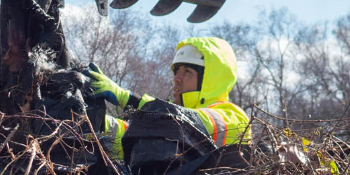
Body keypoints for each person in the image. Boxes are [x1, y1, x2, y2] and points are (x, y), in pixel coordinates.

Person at [86, 37, 253, 162]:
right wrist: (99, 123)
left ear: (210, 80)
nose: (176, 78)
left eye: (187, 71)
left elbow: (183, 122)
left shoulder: (234, 117)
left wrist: (127, 98)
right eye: (177, 71)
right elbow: (136, 138)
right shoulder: (166, 121)